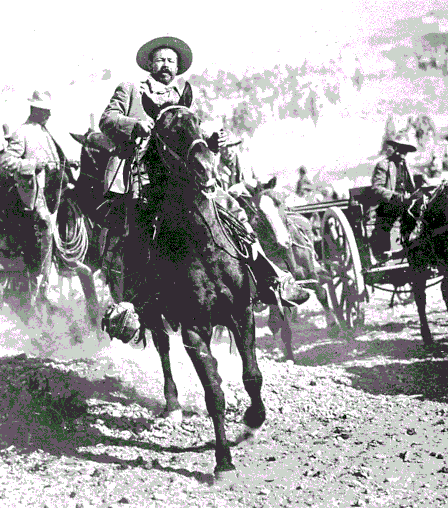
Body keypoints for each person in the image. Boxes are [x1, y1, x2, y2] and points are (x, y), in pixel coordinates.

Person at [99, 36, 307, 307]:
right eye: (160, 59)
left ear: (177, 68)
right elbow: (107, 119)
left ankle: (269, 276)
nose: (165, 65)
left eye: (170, 61)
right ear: (150, 64)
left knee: (232, 209)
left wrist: (210, 142)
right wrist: (134, 124)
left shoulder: (182, 95)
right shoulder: (131, 89)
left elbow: (190, 136)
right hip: (143, 176)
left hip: (182, 178)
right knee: (138, 229)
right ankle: (133, 305)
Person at [0, 90, 67, 282]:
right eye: (45, 111)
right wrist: (33, 165)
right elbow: (7, 162)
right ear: (35, 110)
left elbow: (53, 160)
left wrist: (68, 162)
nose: (49, 115)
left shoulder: (46, 133)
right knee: (43, 223)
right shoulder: (22, 132)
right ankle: (39, 275)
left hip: (53, 191)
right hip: (34, 193)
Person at [364, 131, 418, 261]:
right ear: (395, 148)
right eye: (401, 148)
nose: (403, 153)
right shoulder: (384, 165)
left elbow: (411, 188)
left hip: (405, 206)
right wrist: (396, 197)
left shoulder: (406, 167)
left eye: (406, 150)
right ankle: (387, 254)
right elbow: (377, 188)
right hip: (387, 207)